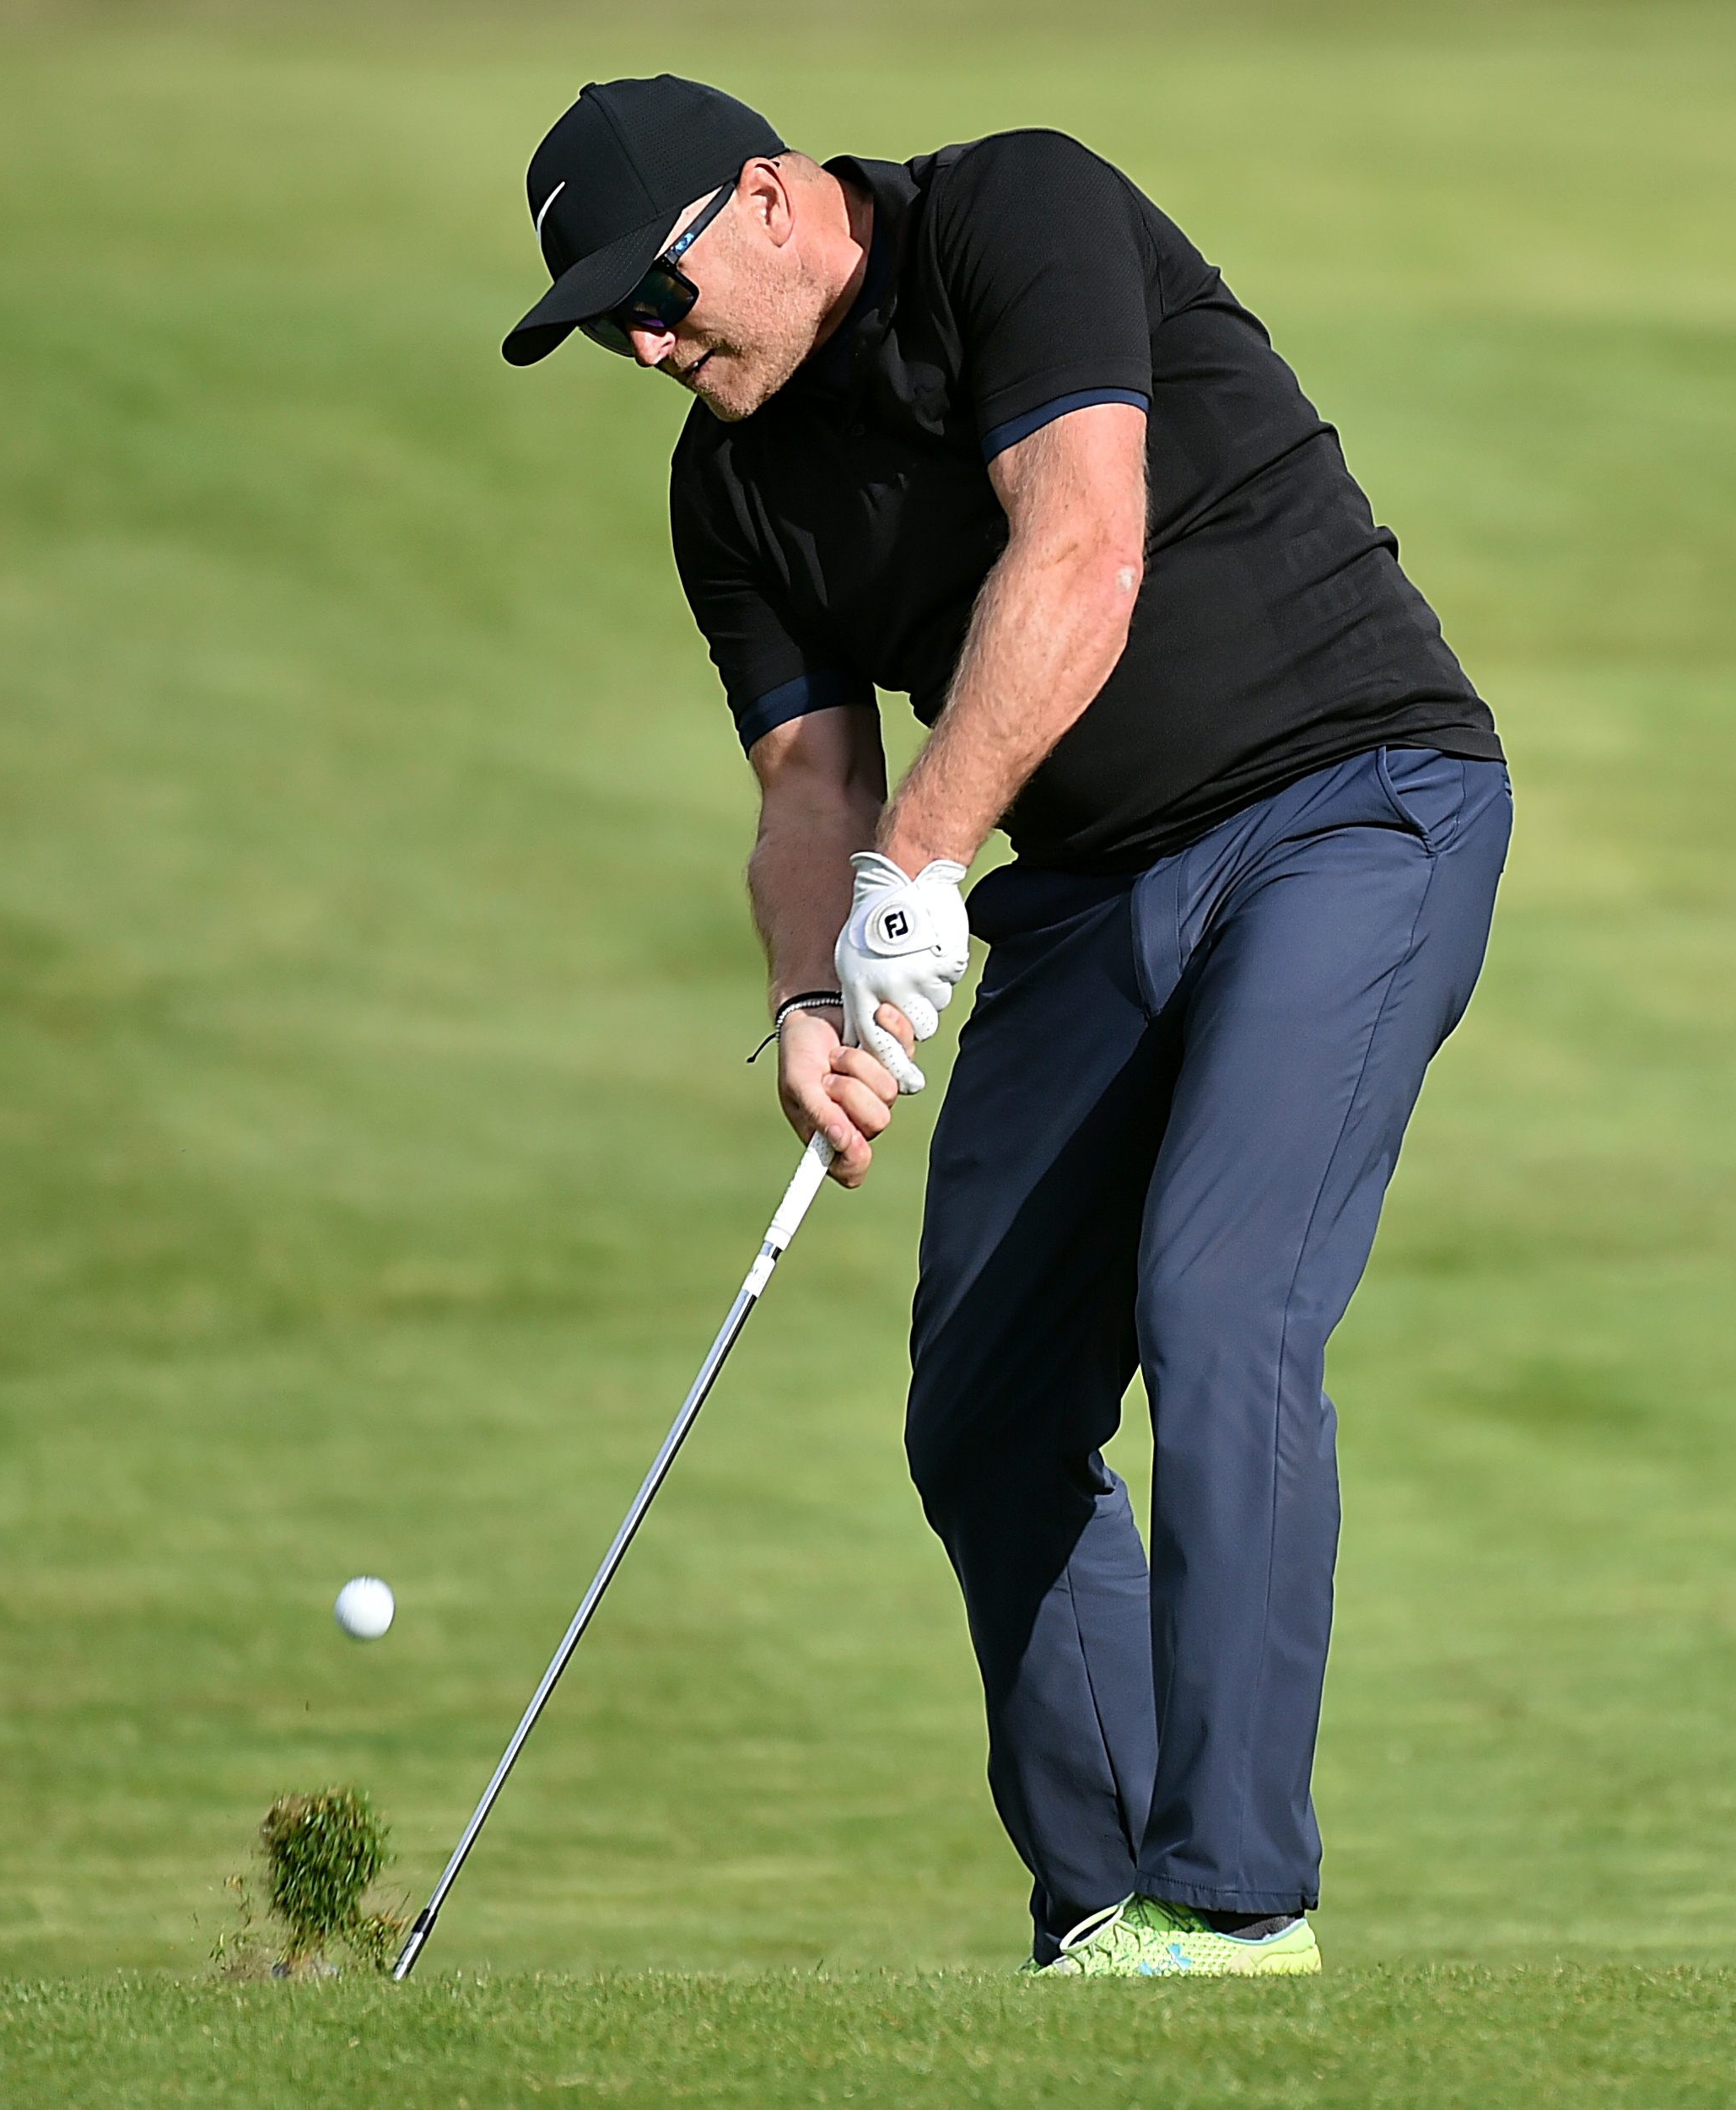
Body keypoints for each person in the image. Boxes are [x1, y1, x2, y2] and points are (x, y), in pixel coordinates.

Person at [502, 74, 1509, 1977]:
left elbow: (1081, 552)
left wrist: (921, 861)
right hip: (1093, 887)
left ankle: (1233, 1905)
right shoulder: (727, 493)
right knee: (981, 1415)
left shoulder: (1007, 216)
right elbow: (807, 787)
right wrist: (808, 994)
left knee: (1220, 1303)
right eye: (607, 325)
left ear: (771, 196)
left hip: (1351, 807)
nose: (644, 343)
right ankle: (1110, 1915)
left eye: (655, 289)